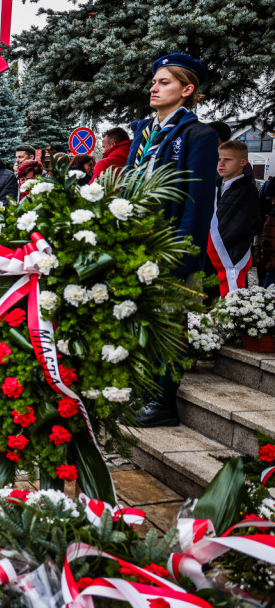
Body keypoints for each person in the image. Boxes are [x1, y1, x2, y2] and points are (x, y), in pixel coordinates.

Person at [124, 52, 220, 427]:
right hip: (134, 245)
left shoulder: (198, 135)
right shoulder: (144, 133)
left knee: (168, 324)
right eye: (154, 81)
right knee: (138, 320)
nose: (154, 86)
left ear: (187, 90)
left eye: (164, 82)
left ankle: (163, 400)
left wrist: (180, 256)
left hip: (170, 247)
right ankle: (140, 389)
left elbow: (197, 203)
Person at [206, 141, 261, 299]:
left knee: (231, 298)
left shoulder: (246, 190)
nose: (221, 164)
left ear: (243, 162)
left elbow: (243, 225)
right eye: (219, 159)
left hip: (231, 255)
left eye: (227, 160)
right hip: (213, 256)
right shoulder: (218, 187)